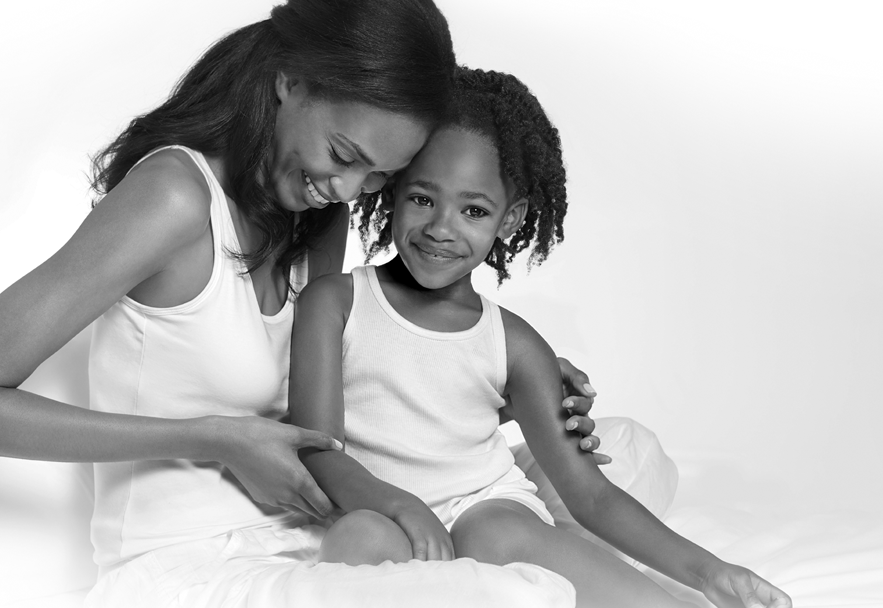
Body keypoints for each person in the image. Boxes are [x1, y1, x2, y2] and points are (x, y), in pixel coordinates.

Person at [0, 1, 627, 605]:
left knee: (622, 452)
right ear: (291, 81)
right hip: (191, 567)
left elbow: (326, 395)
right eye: (344, 155)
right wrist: (213, 439)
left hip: (323, 531)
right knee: (500, 591)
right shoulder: (174, 199)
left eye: (379, 176)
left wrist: (498, 378)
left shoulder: (317, 215)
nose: (348, 189)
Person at [289, 66, 791, 608]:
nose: (440, 228)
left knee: (493, 532)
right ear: (391, 190)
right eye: (422, 199)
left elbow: (590, 496)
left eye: (474, 210)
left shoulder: (516, 344)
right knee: (361, 537)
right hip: (378, 511)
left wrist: (711, 573)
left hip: (485, 508)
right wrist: (401, 507)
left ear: (510, 219)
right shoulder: (336, 303)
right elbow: (317, 450)